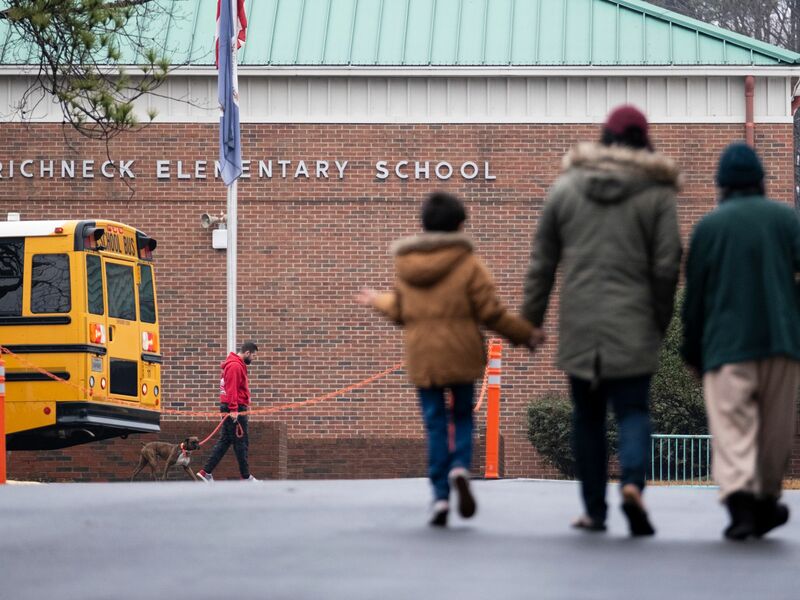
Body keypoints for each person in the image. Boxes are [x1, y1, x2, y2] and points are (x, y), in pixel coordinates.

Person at [521, 105, 682, 536]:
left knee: (587, 417)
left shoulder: (567, 188)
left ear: (604, 138)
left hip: (582, 326)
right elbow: (668, 265)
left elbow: (542, 262)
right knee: (633, 410)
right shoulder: (656, 194)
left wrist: (530, 321)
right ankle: (631, 483)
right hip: (635, 323)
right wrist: (659, 319)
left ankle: (594, 510)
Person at [357, 192, 541, 527]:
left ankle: (440, 496)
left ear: (423, 225)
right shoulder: (468, 264)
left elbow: (400, 310)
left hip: (423, 356)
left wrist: (376, 300)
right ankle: (459, 467)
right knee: (463, 416)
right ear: (459, 225)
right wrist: (524, 334)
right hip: (461, 353)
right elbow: (491, 312)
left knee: (435, 423)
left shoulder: (407, 265)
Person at [681, 142, 800, 541]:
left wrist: (692, 350)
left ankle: (740, 505)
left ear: (722, 185)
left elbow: (695, 298)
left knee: (733, 427)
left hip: (727, 347)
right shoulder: (786, 220)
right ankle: (765, 500)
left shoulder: (709, 228)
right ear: (761, 181)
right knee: (774, 430)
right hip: (781, 342)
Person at [197, 341, 260, 482]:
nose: (253, 359)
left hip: (233, 407)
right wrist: (234, 409)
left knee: (226, 441)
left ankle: (206, 472)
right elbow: (231, 389)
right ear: (247, 353)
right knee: (241, 442)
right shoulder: (235, 366)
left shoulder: (235, 364)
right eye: (253, 356)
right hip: (234, 409)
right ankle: (245, 477)